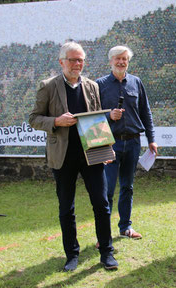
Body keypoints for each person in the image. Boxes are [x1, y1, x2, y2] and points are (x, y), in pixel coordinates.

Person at [29, 42, 118, 271]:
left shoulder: (91, 86)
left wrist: (106, 147)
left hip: (92, 154)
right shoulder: (48, 86)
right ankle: (72, 255)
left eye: (80, 60)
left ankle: (107, 253)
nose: (77, 64)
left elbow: (98, 120)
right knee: (66, 208)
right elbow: (34, 118)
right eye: (72, 60)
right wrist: (56, 121)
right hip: (63, 156)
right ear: (61, 62)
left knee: (102, 204)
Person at [96, 45, 157, 240]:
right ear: (110, 61)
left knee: (127, 187)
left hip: (132, 143)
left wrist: (152, 140)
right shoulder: (100, 84)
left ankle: (125, 227)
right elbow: (93, 116)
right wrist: (108, 115)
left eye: (124, 59)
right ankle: (104, 234)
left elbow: (145, 112)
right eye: (117, 59)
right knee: (107, 189)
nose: (121, 62)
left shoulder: (136, 83)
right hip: (109, 144)